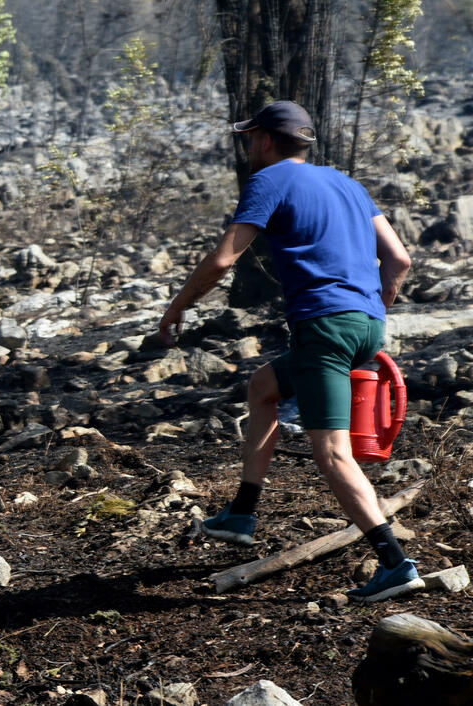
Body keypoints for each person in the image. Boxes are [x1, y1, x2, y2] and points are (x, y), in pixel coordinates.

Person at [158, 100, 416, 603]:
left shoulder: (269, 180)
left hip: (325, 327)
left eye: (250, 137)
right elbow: (399, 258)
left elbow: (222, 260)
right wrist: (372, 311)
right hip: (365, 325)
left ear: (268, 140)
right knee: (263, 388)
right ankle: (241, 513)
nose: (248, 146)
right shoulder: (348, 185)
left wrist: (177, 307)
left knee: (333, 453)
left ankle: (395, 563)